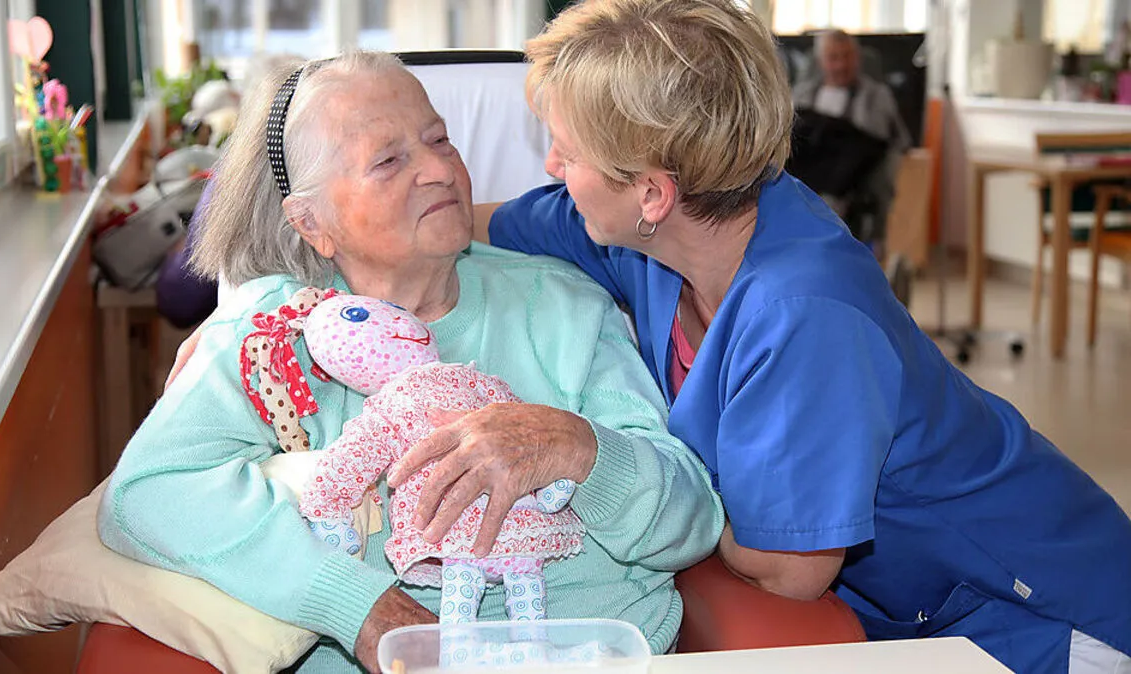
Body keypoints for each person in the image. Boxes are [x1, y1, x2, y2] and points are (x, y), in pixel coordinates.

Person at [460, 2, 1127, 673]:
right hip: (918, 608)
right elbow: (501, 224)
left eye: (568, 152)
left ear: (652, 194)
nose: (551, 165)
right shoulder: (666, 233)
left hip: (1037, 615)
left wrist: (636, 487)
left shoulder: (804, 314)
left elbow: (786, 568)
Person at [99, 51, 725, 674]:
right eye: (388, 160)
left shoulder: (563, 304)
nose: (439, 170)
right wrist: (357, 607)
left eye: (440, 140)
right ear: (312, 222)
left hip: (596, 656)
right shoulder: (276, 337)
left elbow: (691, 520)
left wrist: (578, 449)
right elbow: (147, 493)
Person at [791, 29, 911, 244]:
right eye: (833, 58)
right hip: (805, 178)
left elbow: (880, 143)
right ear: (821, 61)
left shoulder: (877, 96)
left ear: (857, 59)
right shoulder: (800, 95)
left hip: (851, 182)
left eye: (846, 56)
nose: (840, 65)